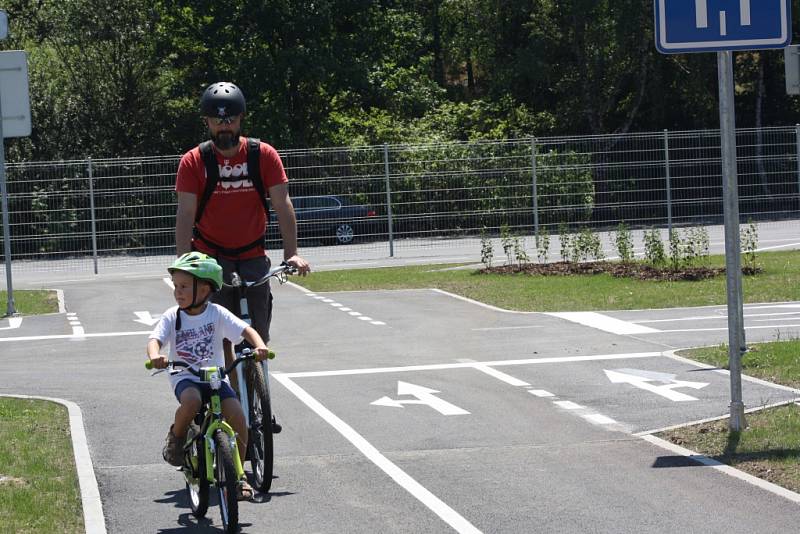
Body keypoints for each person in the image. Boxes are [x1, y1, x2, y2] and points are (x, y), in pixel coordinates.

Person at [174, 81, 310, 375]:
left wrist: (292, 254)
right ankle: (230, 390)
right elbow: (185, 215)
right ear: (207, 122)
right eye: (218, 120)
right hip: (211, 256)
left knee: (258, 330)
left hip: (252, 254)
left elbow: (282, 204)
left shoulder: (263, 155)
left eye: (231, 119)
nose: (225, 126)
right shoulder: (194, 161)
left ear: (241, 118)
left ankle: (257, 390)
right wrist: (185, 264)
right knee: (219, 329)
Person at [147, 252, 270, 501]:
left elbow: (247, 330)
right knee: (191, 401)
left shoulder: (216, 313)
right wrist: (155, 355)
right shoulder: (173, 315)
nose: (177, 292)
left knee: (237, 413)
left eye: (183, 287)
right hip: (186, 376)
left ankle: (240, 474)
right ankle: (177, 438)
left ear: (204, 290)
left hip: (215, 377)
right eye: (176, 286)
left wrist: (258, 346)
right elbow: (155, 339)